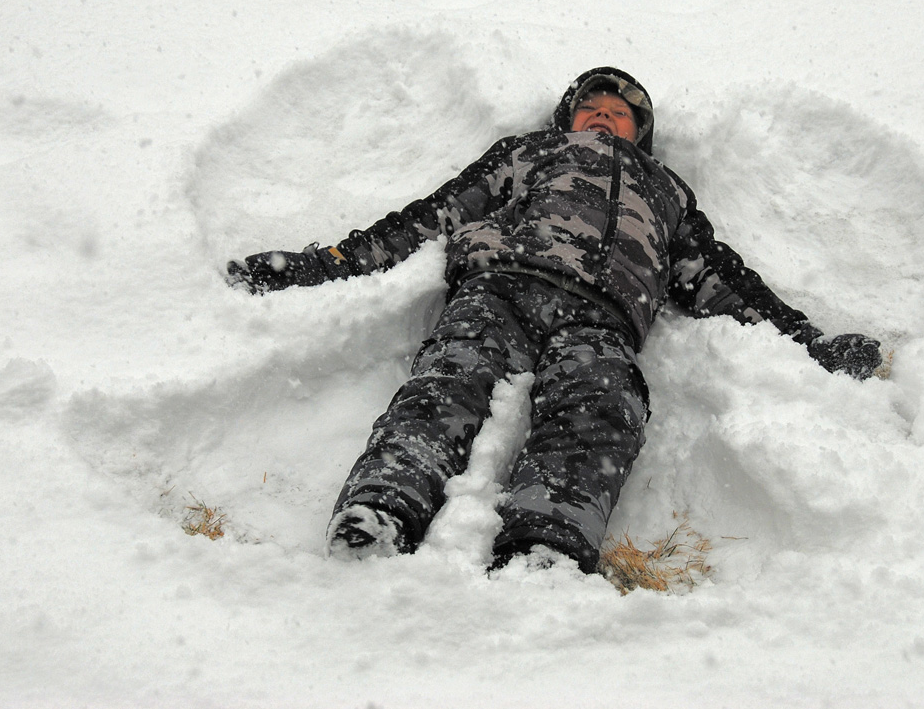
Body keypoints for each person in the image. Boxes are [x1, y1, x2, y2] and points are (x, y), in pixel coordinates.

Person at [227, 66, 882, 574]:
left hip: (601, 322)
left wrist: (812, 342)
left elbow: (724, 282)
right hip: (503, 289)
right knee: (450, 380)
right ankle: (382, 507)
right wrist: (309, 266)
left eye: (618, 113)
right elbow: (427, 218)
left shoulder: (668, 192)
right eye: (590, 108)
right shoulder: (529, 152)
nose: (602, 116)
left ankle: (546, 545)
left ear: (639, 133)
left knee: (600, 404)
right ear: (567, 119)